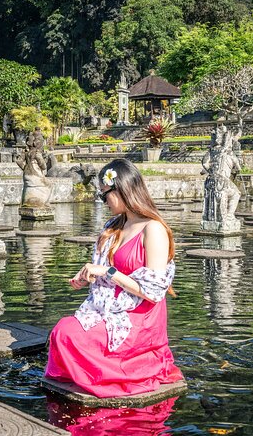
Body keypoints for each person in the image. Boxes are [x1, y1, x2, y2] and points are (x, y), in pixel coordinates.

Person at [45, 158, 183, 398]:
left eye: (104, 195)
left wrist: (109, 273)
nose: (103, 201)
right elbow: (104, 267)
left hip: (140, 316)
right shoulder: (114, 225)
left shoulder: (153, 229)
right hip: (110, 306)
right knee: (62, 331)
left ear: (120, 190)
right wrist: (87, 274)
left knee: (69, 335)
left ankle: (122, 370)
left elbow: (152, 292)